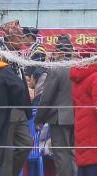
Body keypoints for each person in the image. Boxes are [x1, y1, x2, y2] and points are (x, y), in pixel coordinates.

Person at [36, 41, 77, 176]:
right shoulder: (78, 67)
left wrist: (39, 119)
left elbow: (46, 97)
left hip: (59, 118)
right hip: (77, 116)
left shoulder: (56, 69)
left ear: (59, 52)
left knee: (61, 154)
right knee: (73, 153)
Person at [71, 62, 97, 176]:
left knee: (84, 166)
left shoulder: (77, 79)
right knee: (96, 165)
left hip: (81, 127)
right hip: (96, 129)